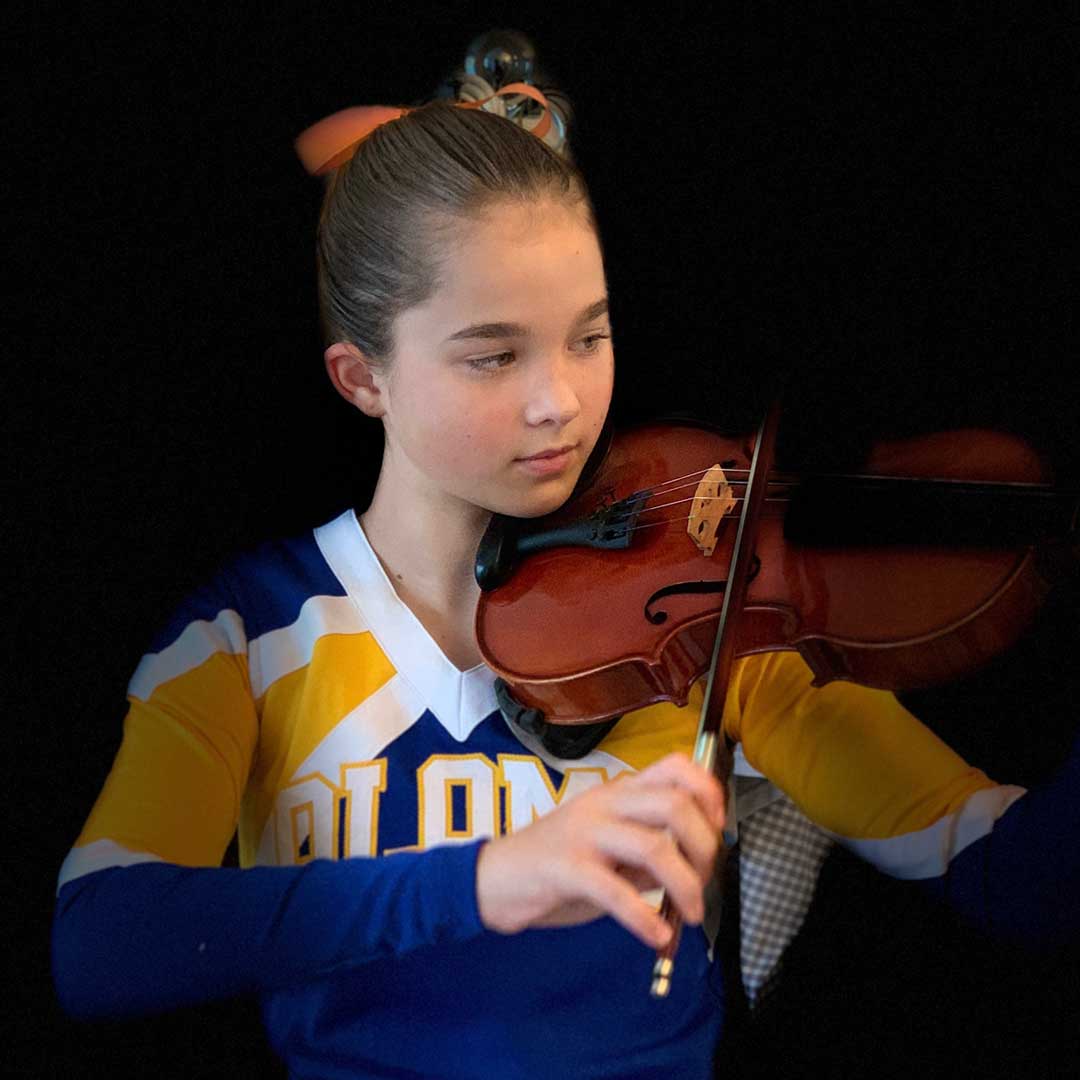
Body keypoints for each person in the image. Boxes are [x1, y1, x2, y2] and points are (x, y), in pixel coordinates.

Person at [51, 73, 1079, 1080]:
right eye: (494, 356)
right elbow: (100, 943)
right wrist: (487, 880)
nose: (562, 402)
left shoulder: (703, 621)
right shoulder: (248, 636)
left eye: (589, 335)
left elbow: (1019, 879)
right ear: (363, 378)